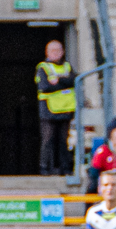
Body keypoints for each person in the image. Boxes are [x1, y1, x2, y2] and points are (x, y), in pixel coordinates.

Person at [36, 39, 75, 177]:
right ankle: (45, 168)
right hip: (48, 110)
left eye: (58, 50)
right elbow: (44, 86)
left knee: (64, 140)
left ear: (63, 52)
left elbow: (73, 80)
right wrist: (64, 84)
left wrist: (58, 81)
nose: (55, 53)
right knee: (48, 140)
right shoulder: (43, 68)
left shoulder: (67, 66)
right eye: (52, 50)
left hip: (66, 109)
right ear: (47, 52)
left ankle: (65, 168)